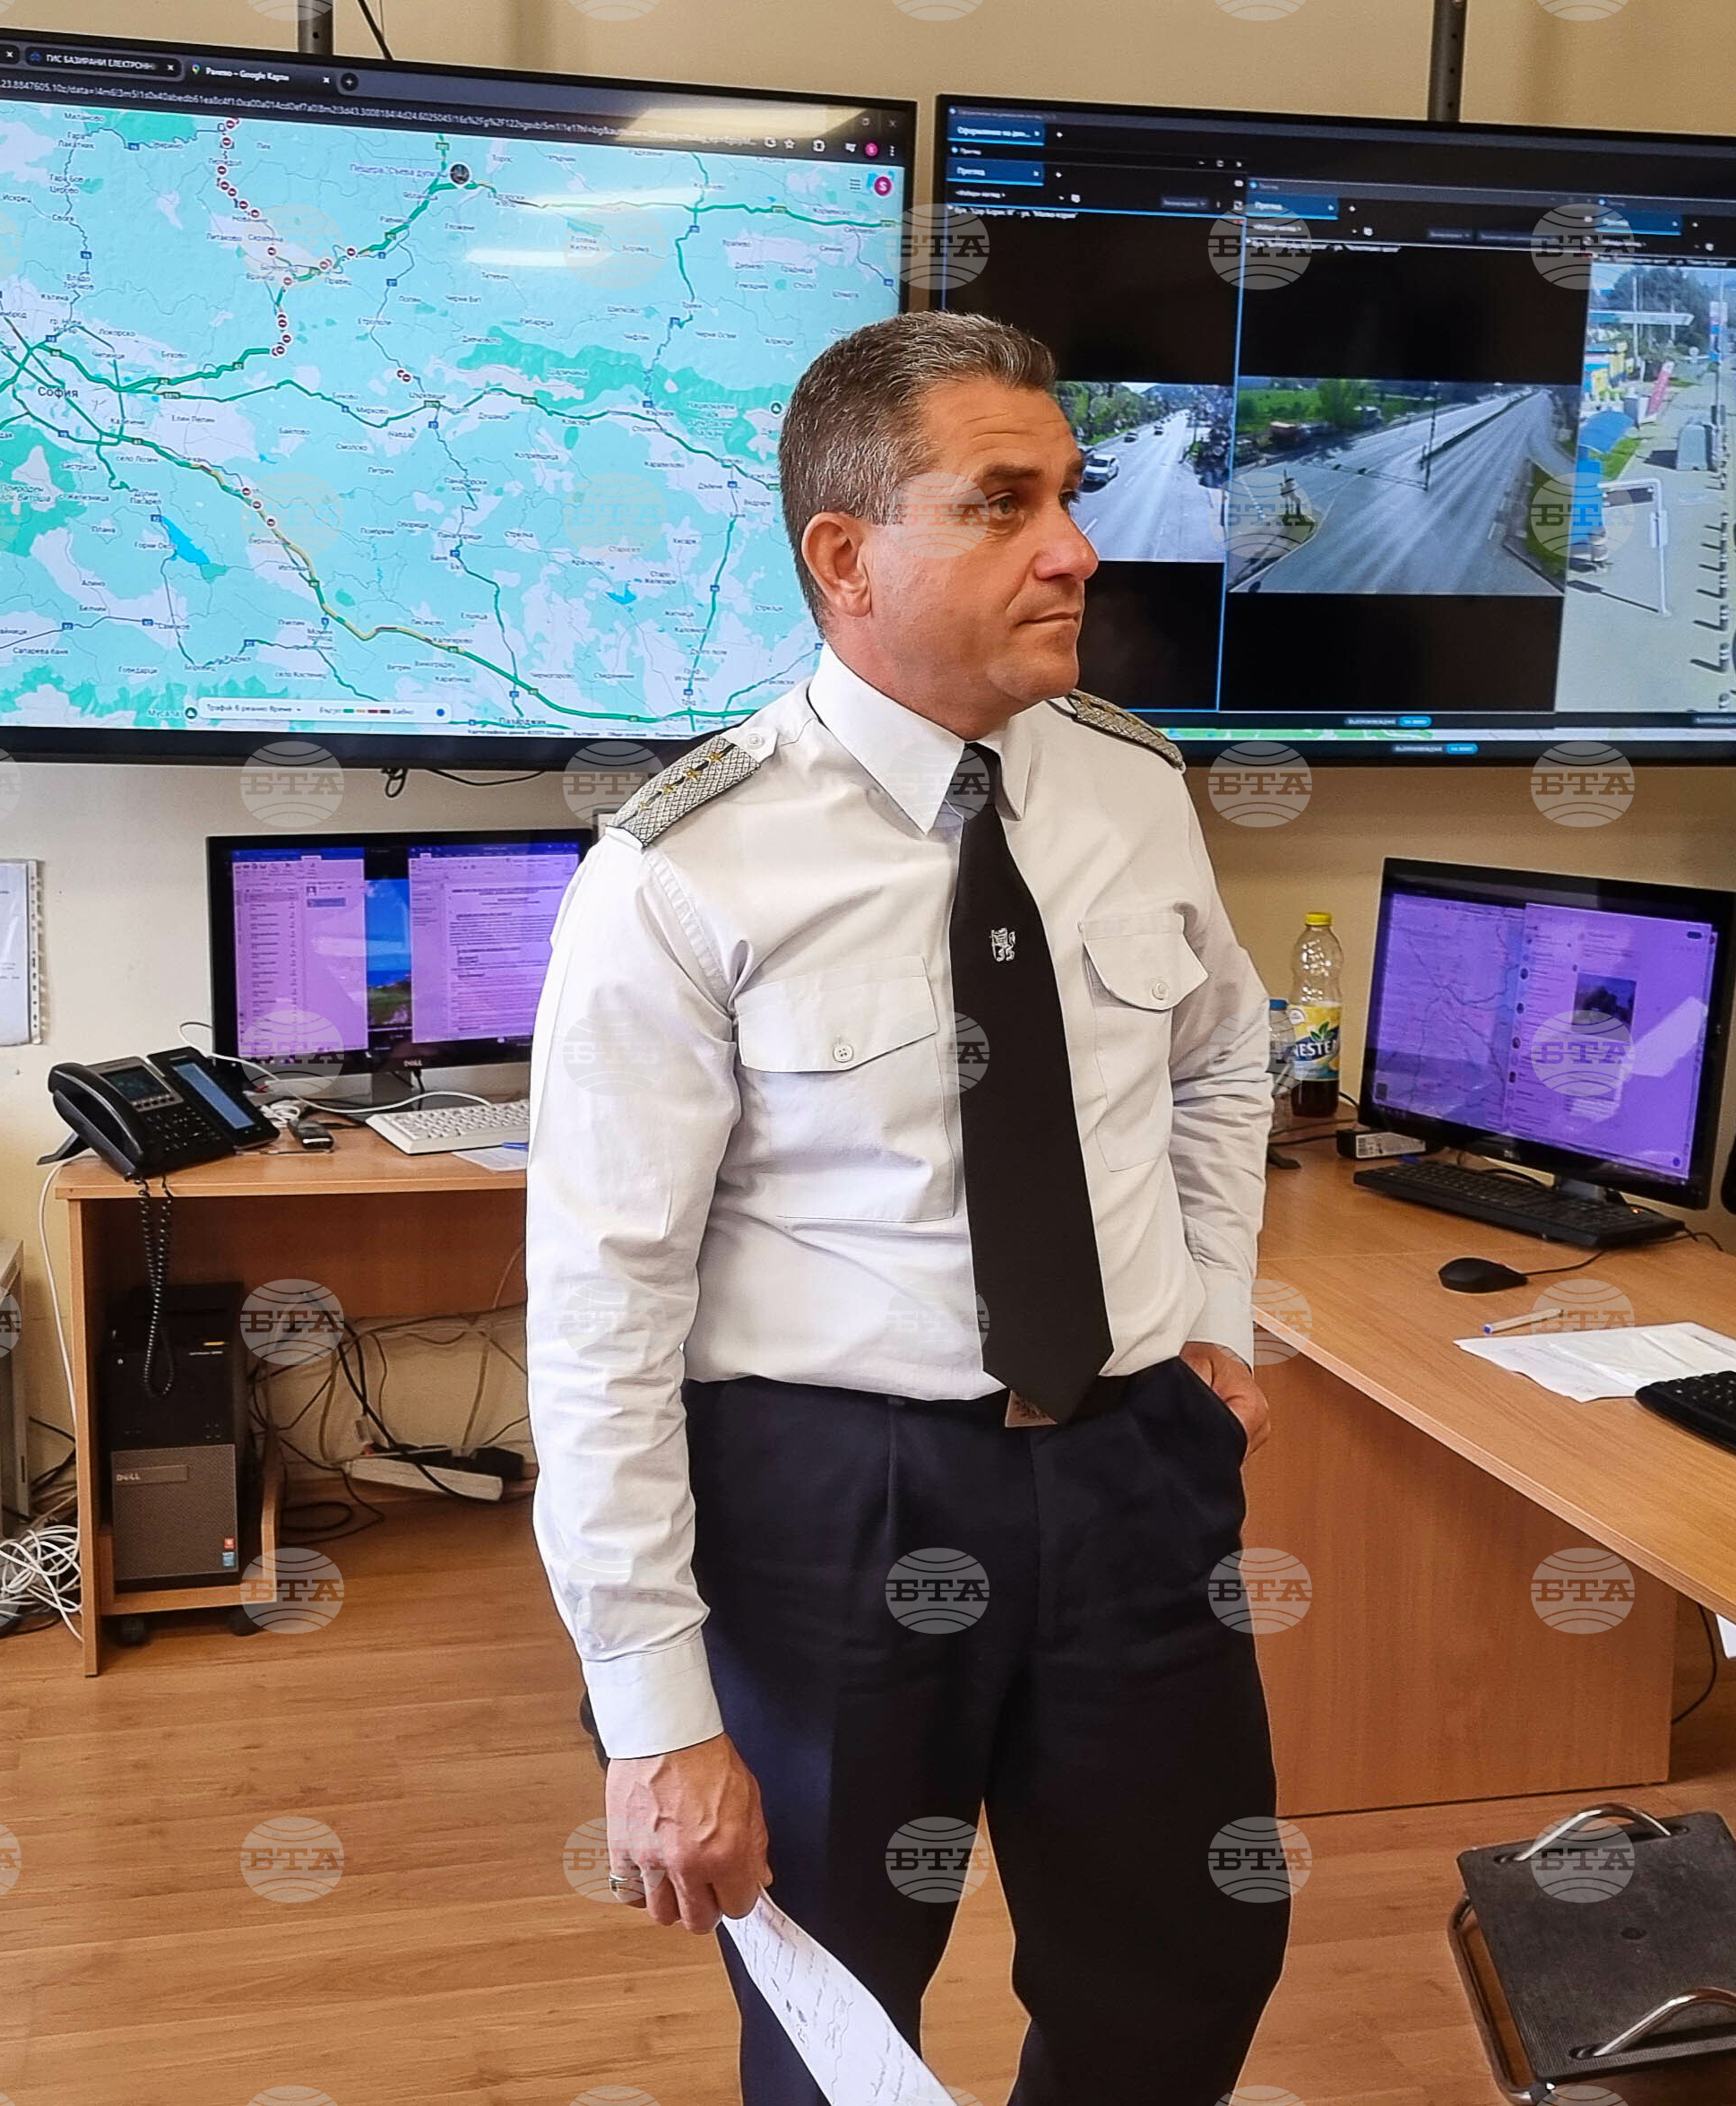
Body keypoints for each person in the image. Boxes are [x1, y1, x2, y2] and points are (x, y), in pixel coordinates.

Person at [524, 310, 1284, 2104]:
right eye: (1003, 503)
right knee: (837, 2005)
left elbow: (1219, 1060)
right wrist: (653, 1713)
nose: (1075, 549)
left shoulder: (1131, 788)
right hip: (832, 1504)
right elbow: (602, 1309)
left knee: (1189, 1952)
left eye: (1070, 495)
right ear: (846, 557)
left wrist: (1209, 1315)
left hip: (1133, 1475)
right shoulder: (680, 868)